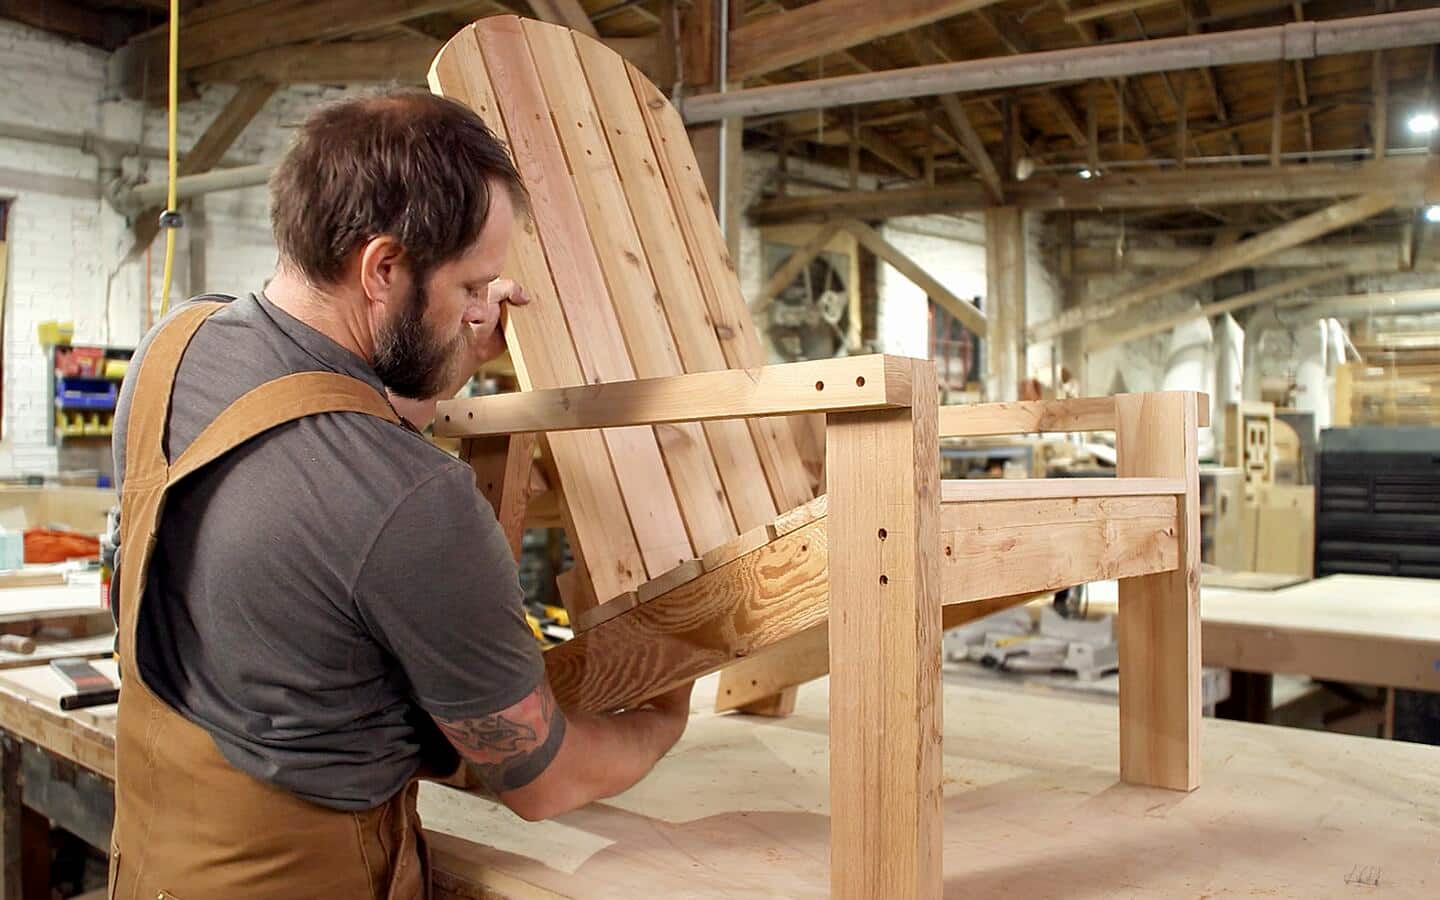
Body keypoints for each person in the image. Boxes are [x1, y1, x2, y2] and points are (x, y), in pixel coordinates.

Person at [107, 91, 692, 900]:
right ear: (383, 268)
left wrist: (448, 340)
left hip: (149, 867)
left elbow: (324, 413)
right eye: (472, 285)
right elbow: (541, 780)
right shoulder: (413, 498)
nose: (486, 307)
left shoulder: (172, 349)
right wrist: (656, 727)